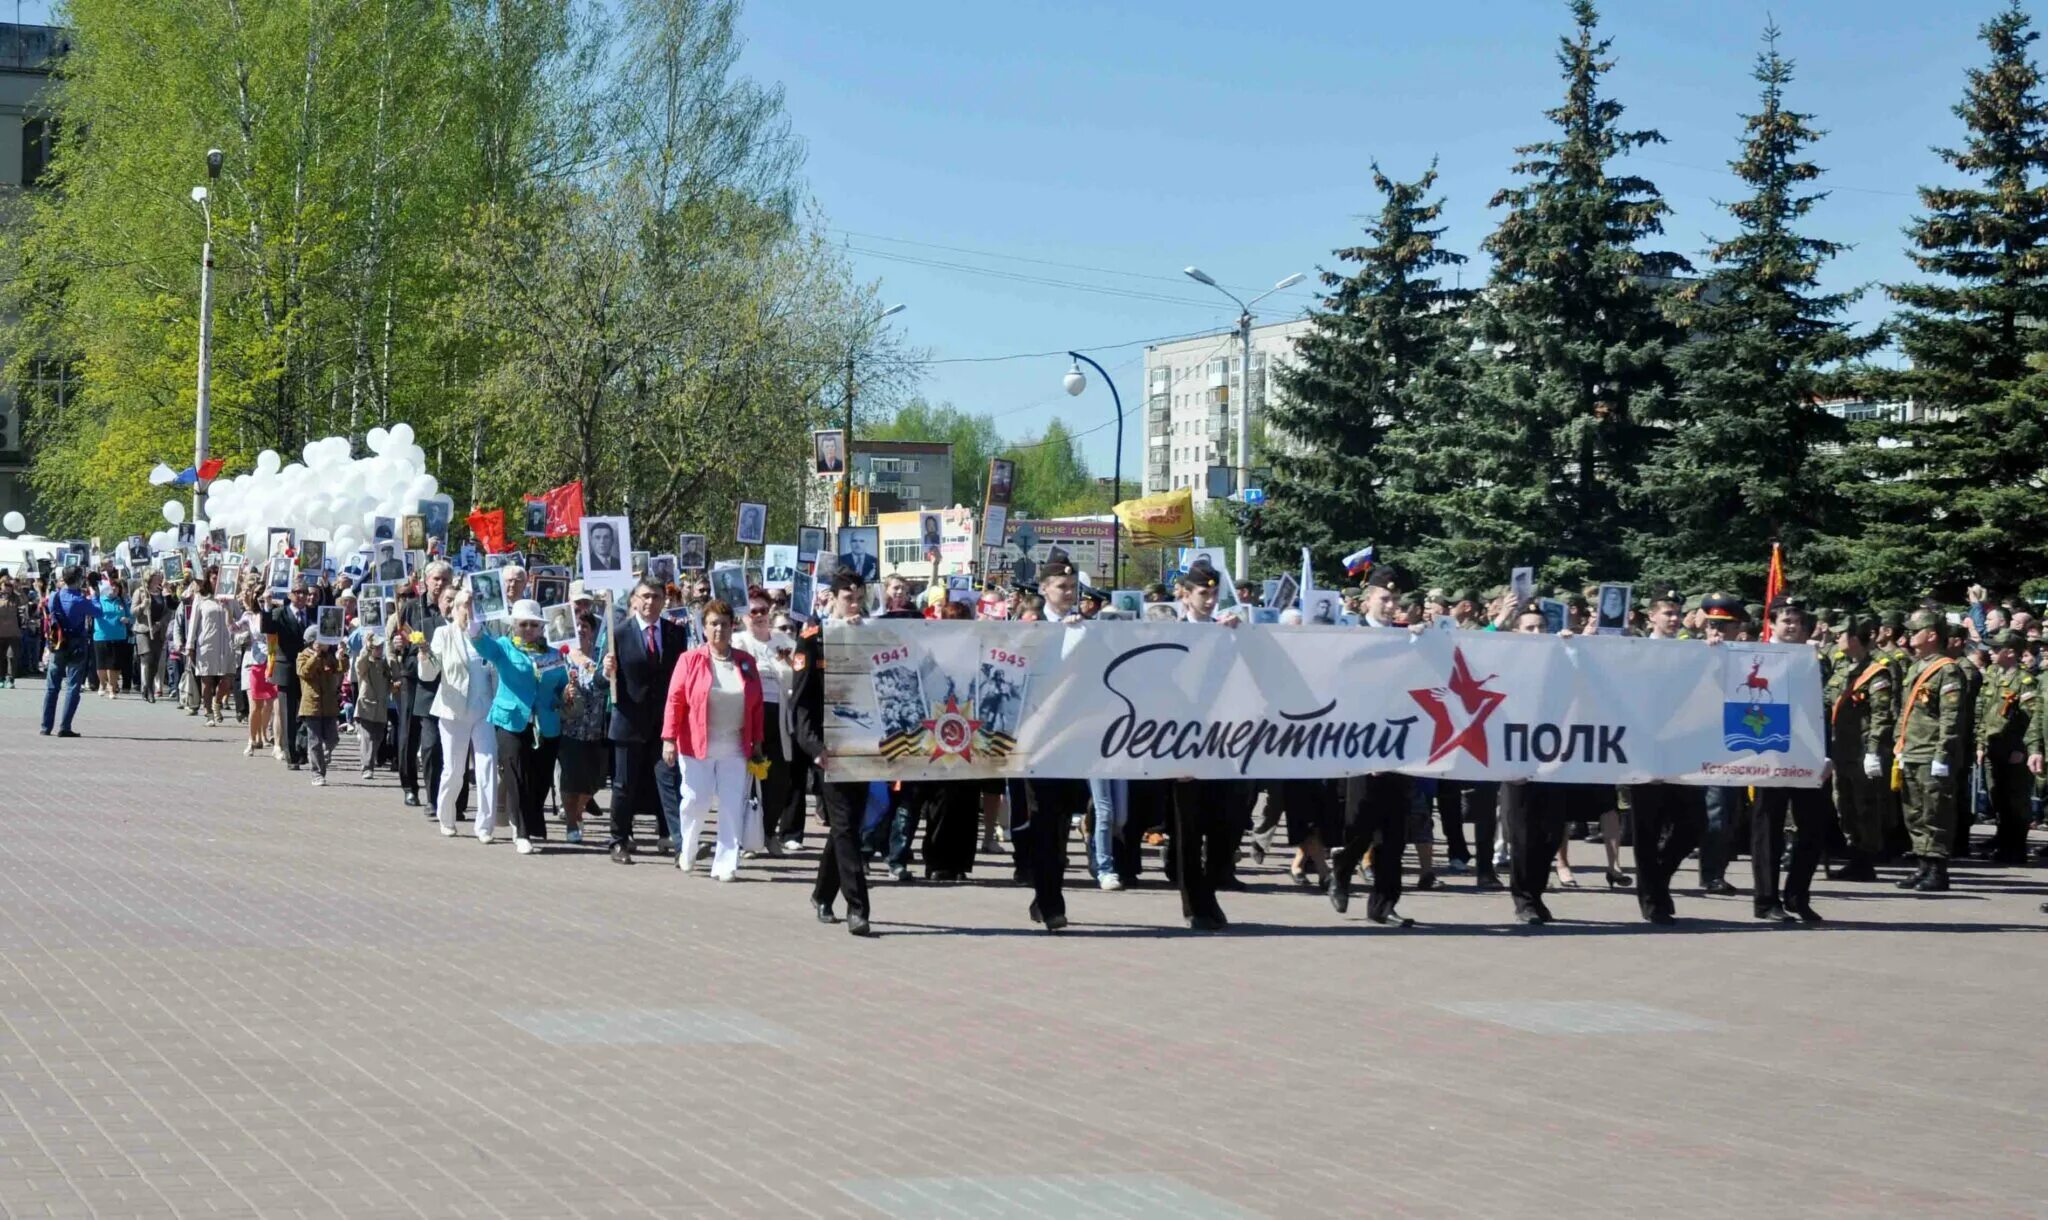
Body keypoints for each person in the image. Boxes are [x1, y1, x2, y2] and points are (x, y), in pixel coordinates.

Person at [1328, 566, 1416, 927]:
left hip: (1400, 747)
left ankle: (1384, 905)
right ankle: (1342, 868)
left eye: (1394, 599)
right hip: (1361, 748)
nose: (1390, 604)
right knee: (1361, 827)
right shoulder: (1351, 636)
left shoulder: (1405, 637)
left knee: (1395, 834)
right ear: (1367, 600)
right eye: (1384, 598)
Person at [792, 567, 876, 936]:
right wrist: (814, 748)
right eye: (848, 599)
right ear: (832, 599)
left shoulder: (873, 636)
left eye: (860, 599)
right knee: (844, 825)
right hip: (831, 747)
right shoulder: (814, 638)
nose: (855, 605)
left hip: (863, 743)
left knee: (849, 825)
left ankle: (822, 893)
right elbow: (801, 704)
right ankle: (858, 908)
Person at [662, 598, 764, 880]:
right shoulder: (690, 660)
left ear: (733, 627)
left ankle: (726, 863)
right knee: (695, 800)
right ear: (704, 628)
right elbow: (675, 700)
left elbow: (756, 706)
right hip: (697, 743)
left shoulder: (746, 662)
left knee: (732, 803)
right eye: (713, 624)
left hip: (735, 745)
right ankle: (689, 847)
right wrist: (669, 738)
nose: (719, 629)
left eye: (724, 623)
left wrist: (757, 741)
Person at [1748, 598, 1829, 923]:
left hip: (1808, 753)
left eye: (1796, 620)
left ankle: (1797, 895)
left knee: (1813, 828)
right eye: (1785, 620)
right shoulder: (1755, 657)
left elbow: (1824, 711)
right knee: (1768, 828)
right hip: (1769, 751)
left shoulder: (1814, 660)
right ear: (1772, 624)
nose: (1792, 626)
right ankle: (1766, 900)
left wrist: (1828, 753)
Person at [470, 598, 570, 855]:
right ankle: (522, 831)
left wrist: (568, 694)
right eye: (523, 624)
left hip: (546, 724)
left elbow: (560, 688)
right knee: (516, 774)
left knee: (540, 780)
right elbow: (481, 642)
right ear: (514, 626)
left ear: (541, 628)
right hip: (511, 721)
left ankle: (527, 820)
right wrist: (471, 614)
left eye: (533, 625)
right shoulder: (504, 648)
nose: (528, 629)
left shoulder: (554, 655)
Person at [605, 578, 689, 863]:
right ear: (633, 600)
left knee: (669, 782)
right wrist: (605, 671)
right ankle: (618, 840)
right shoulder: (618, 633)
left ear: (664, 601)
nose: (650, 602)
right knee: (623, 786)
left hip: (663, 724)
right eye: (644, 596)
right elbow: (601, 681)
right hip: (629, 722)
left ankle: (681, 845)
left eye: (655, 597)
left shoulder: (676, 634)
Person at [419, 586, 500, 842]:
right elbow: (429, 673)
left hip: (484, 709)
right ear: (454, 610)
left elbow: (496, 667)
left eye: (472, 604)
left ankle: (485, 826)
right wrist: (424, 656)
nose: (468, 609)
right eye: (464, 604)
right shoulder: (444, 634)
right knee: (454, 770)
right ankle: (446, 816)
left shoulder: (488, 633)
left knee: (487, 768)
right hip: (454, 710)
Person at [1896, 609, 1965, 892]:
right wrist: (1900, 743)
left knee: (1935, 811)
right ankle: (1922, 864)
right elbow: (1907, 711)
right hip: (1913, 748)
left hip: (1932, 752)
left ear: (1932, 635)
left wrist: (1943, 753)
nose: (1911, 635)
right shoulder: (1916, 667)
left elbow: (1951, 717)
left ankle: (1937, 869)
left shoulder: (1946, 669)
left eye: (1916, 630)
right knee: (1914, 811)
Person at [1827, 613, 1895, 881]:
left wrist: (1874, 750)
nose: (1836, 638)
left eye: (1840, 634)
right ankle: (1854, 853)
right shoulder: (1844, 671)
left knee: (1864, 806)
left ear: (1854, 638)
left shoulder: (1877, 673)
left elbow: (1882, 715)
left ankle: (1865, 859)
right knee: (1843, 804)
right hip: (1841, 750)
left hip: (1862, 751)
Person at [732, 590, 797, 857]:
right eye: (753, 612)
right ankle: (747, 838)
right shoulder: (738, 641)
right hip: (749, 718)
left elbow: (793, 674)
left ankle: (769, 833)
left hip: (780, 718)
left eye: (762, 611)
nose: (758, 616)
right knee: (750, 779)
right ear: (744, 615)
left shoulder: (783, 642)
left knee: (778, 781)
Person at [1978, 629, 2035, 865]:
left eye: (1995, 648)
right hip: (1994, 745)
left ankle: (2017, 847)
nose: (1990, 653)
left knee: (2016, 800)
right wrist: (1980, 742)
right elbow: (1983, 712)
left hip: (2014, 749)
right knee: (1997, 797)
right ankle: (2003, 843)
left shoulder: (2024, 682)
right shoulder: (1992, 675)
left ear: (2010, 652)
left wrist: (2022, 749)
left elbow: (2030, 719)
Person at [557, 612, 609, 844]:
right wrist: (563, 693)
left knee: (595, 781)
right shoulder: (562, 657)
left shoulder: (602, 657)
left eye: (585, 625)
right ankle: (571, 821)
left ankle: (579, 809)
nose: (580, 629)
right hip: (569, 729)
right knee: (570, 779)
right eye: (576, 625)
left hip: (597, 730)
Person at [39, 565, 100, 737]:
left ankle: (46, 726)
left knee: (52, 686)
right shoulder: (79, 600)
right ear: (79, 579)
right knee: (73, 686)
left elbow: (46, 609)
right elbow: (98, 612)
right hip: (76, 643)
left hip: (57, 642)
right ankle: (64, 726)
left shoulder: (54, 596)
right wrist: (95, 595)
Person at [185, 573, 238, 727]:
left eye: (220, 578)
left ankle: (217, 702)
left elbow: (239, 619)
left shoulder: (231, 599)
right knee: (207, 680)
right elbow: (193, 622)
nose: (217, 581)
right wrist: (190, 644)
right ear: (209, 580)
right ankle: (208, 712)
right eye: (215, 578)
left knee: (227, 679)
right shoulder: (201, 598)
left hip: (227, 644)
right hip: (207, 644)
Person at [295, 637, 345, 786]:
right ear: (314, 642)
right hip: (312, 705)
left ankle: (324, 753)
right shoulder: (303, 655)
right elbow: (304, 672)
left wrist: (342, 656)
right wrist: (315, 656)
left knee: (333, 738)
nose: (328, 645)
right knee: (314, 741)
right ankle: (317, 773)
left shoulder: (329, 657)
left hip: (329, 704)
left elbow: (341, 669)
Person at [351, 621, 394, 781]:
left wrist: (393, 685)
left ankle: (369, 760)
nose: (378, 649)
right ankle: (367, 767)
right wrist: (366, 647)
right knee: (368, 738)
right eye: (376, 647)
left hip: (381, 708)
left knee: (377, 738)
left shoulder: (384, 664)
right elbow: (359, 665)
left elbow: (389, 682)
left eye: (380, 647)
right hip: (366, 707)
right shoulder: (366, 663)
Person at [130, 571, 171, 701]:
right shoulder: (141, 592)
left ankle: (147, 687)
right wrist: (143, 606)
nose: (159, 577)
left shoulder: (161, 592)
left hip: (158, 630)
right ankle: (149, 690)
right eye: (156, 575)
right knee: (147, 658)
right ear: (150, 577)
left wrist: (160, 624)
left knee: (155, 661)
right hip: (143, 630)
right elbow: (133, 611)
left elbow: (168, 612)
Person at [91, 576, 132, 698]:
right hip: (101, 636)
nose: (114, 590)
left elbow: (130, 616)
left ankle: (112, 688)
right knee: (101, 665)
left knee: (114, 664)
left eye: (116, 589)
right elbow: (93, 611)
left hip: (118, 636)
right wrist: (93, 595)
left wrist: (127, 620)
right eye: (111, 588)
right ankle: (102, 684)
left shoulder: (122, 602)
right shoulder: (99, 600)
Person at [0, 573, 22, 688]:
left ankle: (10, 679)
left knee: (12, 657)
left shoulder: (16, 597)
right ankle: (1, 678)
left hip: (13, 633)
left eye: (10, 585)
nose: (8, 587)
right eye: (6, 584)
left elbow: (24, 602)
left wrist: (18, 589)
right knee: (1, 657)